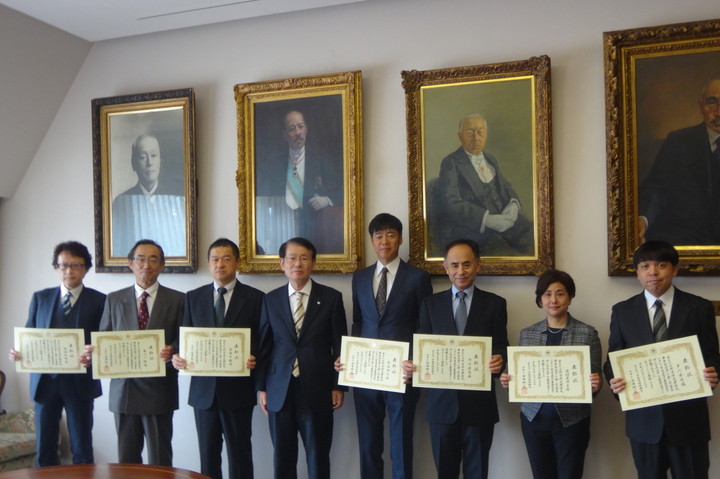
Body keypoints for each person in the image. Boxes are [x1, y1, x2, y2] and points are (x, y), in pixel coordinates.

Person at [604, 240, 720, 478]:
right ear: (637, 272)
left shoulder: (699, 308)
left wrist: (713, 372)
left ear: (674, 269)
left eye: (661, 265)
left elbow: (711, 355)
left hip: (688, 420)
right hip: (644, 422)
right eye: (645, 266)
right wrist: (614, 381)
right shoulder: (622, 311)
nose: (653, 272)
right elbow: (613, 359)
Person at [335, 213, 432, 479]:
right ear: (372, 240)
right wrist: (349, 358)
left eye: (390, 235)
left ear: (400, 239)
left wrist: (414, 361)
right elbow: (358, 322)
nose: (384, 241)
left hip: (402, 374)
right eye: (379, 236)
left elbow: (424, 325)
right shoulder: (360, 277)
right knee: (368, 443)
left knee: (401, 443)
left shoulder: (418, 278)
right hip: (365, 374)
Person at [403, 239, 508, 479]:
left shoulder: (495, 304)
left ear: (478, 265)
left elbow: (502, 344)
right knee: (445, 472)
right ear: (445, 268)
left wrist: (499, 360)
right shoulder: (430, 304)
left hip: (479, 406)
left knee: (477, 472)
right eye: (454, 265)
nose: (461, 271)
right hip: (441, 406)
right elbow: (422, 346)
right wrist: (411, 364)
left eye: (467, 264)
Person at [172, 238, 264, 479]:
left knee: (240, 456)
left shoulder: (256, 298)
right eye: (215, 259)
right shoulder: (193, 297)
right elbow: (184, 338)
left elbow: (262, 338)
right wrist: (178, 357)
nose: (220, 264)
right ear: (208, 263)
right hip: (204, 393)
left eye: (226, 259)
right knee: (208, 457)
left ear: (237, 262)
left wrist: (253, 356)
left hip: (238, 391)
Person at [255, 237, 347, 479]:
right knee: (283, 458)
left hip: (318, 389)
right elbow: (264, 346)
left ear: (313, 263)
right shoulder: (270, 300)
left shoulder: (331, 298)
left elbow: (340, 344)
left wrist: (338, 385)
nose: (298, 264)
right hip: (279, 390)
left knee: (318, 457)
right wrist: (262, 387)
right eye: (292, 258)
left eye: (304, 258)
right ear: (282, 263)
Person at [7, 241, 105, 467]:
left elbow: (105, 339)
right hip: (45, 383)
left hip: (80, 383)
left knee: (81, 447)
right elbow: (29, 334)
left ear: (86, 268)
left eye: (76, 265)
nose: (69, 271)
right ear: (57, 267)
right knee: (45, 448)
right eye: (63, 265)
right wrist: (19, 352)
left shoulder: (99, 300)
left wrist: (93, 353)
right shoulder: (40, 298)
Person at [499, 270, 602, 479]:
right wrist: (509, 380)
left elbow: (595, 376)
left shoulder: (588, 333)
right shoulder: (527, 334)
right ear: (540, 299)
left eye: (560, 293)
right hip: (534, 418)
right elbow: (520, 375)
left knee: (570, 474)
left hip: (572, 419)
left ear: (570, 298)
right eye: (547, 294)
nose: (553, 300)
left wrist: (595, 384)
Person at [98, 239, 184, 466]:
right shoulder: (114, 299)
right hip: (124, 391)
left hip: (159, 390)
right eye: (141, 259)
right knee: (127, 462)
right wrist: (94, 352)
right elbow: (104, 338)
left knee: (160, 461)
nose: (146, 265)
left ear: (162, 265)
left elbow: (185, 338)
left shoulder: (178, 299)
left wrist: (173, 349)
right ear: (130, 263)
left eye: (153, 260)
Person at [434, 114, 534, 256]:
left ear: (486, 134)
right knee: (503, 252)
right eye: (470, 133)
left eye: (480, 132)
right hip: (475, 229)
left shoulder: (490, 159)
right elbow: (451, 203)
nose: (476, 138)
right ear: (460, 136)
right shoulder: (451, 163)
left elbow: (506, 187)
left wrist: (514, 204)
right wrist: (487, 219)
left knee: (533, 236)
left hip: (506, 221)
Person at [639, 75, 720, 245]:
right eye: (712, 102)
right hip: (683, 237)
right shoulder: (678, 141)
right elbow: (657, 188)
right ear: (701, 106)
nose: (718, 112)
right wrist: (643, 219)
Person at [254, 111, 343, 254]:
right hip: (282, 224)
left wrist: (327, 200)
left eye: (301, 127)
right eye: (292, 129)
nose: (298, 133)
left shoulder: (321, 160)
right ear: (284, 134)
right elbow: (265, 195)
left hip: (314, 226)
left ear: (306, 129)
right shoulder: (273, 165)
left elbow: (342, 191)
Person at [111, 134, 186, 257]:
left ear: (160, 160)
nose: (149, 163)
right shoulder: (121, 203)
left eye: (154, 155)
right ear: (133, 163)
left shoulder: (178, 200)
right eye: (142, 157)